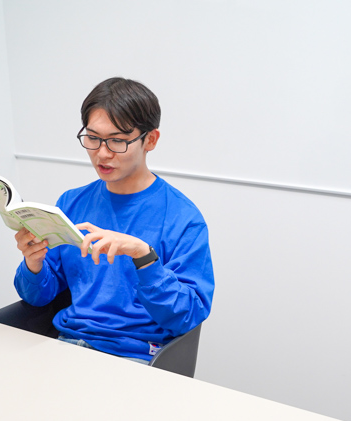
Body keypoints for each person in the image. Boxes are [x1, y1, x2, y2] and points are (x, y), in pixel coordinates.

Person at [13, 77, 214, 363]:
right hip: (67, 344)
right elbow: (38, 298)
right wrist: (33, 264)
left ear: (150, 140)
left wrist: (143, 257)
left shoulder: (183, 218)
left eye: (118, 141)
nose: (102, 153)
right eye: (93, 138)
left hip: (136, 355)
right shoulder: (71, 203)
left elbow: (188, 316)